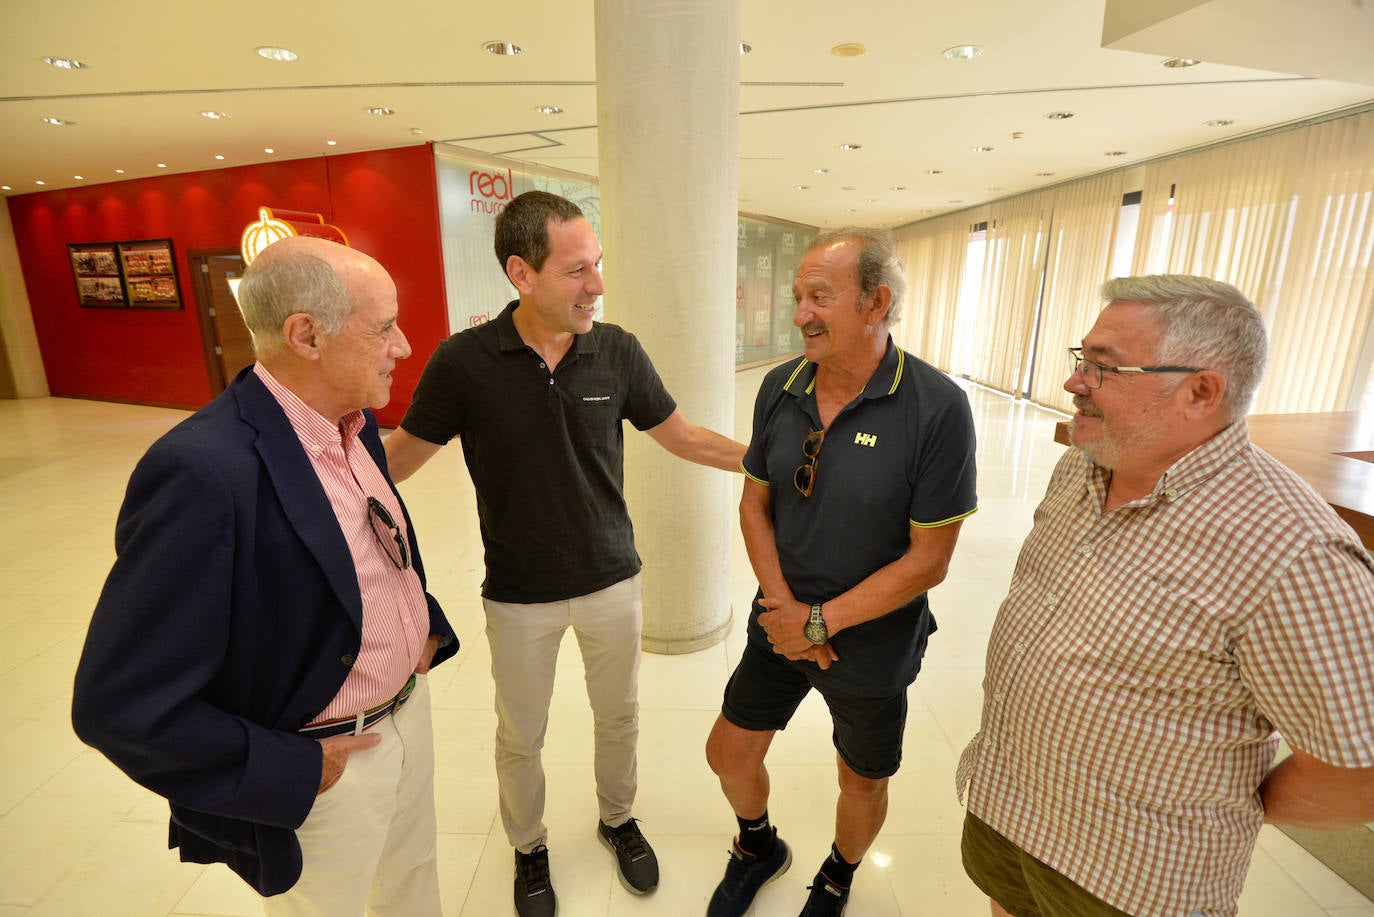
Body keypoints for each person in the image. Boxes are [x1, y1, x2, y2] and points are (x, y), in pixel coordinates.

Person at [956, 274, 1374, 917]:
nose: (1074, 383)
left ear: (1201, 391)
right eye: (1082, 359)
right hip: (1009, 807)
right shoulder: (1087, 462)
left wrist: (1215, 807)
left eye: (1105, 368)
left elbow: (1358, 773)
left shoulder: (1293, 551)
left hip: (1135, 874)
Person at [383, 189, 746, 917]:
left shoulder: (616, 351)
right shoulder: (464, 362)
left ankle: (618, 818)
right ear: (522, 273)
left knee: (621, 716)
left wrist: (776, 462)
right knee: (522, 733)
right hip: (518, 594)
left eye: (598, 265)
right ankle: (529, 846)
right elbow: (396, 464)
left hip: (612, 577)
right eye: (579, 270)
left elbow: (684, 436)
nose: (598, 285)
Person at [71, 236, 459, 915]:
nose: (403, 346)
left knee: (412, 880)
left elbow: (364, 552)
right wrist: (295, 770)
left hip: (407, 714)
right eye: (383, 328)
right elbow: (119, 706)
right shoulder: (202, 471)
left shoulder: (357, 422)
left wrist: (423, 621)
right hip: (326, 762)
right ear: (306, 335)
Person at [704, 228, 979, 917]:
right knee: (728, 753)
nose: (799, 313)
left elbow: (930, 558)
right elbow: (754, 502)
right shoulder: (781, 385)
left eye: (819, 296)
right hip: (782, 616)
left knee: (861, 780)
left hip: (874, 643)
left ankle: (837, 873)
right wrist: (787, 612)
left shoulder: (936, 407)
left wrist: (821, 623)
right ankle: (757, 844)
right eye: (798, 296)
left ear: (875, 302)